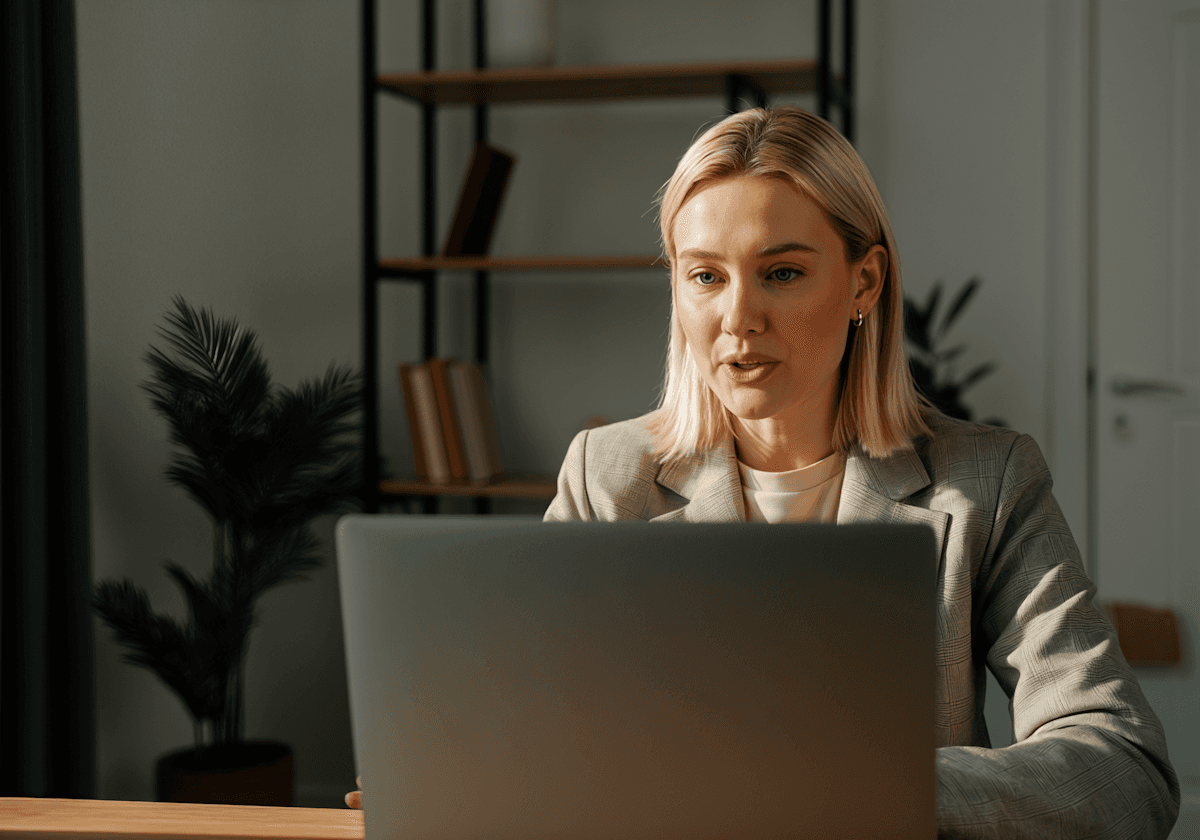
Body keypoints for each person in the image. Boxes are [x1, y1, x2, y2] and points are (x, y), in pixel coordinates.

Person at [346, 106, 1180, 838]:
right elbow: (527, 736)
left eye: (781, 273)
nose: (737, 317)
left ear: (864, 282)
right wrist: (451, 777)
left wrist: (862, 796)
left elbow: (1122, 768)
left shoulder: (986, 483)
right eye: (705, 276)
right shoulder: (607, 475)